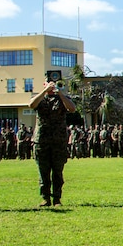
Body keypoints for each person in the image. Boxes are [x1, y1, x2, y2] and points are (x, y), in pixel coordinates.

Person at [29, 73, 77, 207]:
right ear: (44, 85)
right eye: (48, 84)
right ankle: (45, 198)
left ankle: (57, 199)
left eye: (52, 84)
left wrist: (60, 93)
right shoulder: (40, 98)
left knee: (57, 171)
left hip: (58, 141)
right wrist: (44, 91)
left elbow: (72, 108)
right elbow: (31, 105)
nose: (51, 86)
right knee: (43, 171)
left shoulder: (62, 99)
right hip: (42, 140)